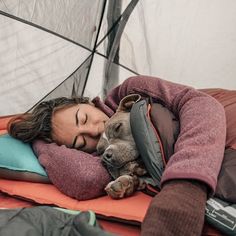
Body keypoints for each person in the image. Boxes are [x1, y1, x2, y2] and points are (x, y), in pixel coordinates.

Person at [8, 75, 226, 236]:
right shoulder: (102, 154)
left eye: (83, 118)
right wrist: (41, 142)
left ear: (86, 102)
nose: (93, 131)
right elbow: (86, 179)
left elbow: (201, 103)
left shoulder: (131, 90)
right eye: (82, 142)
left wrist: (185, 184)